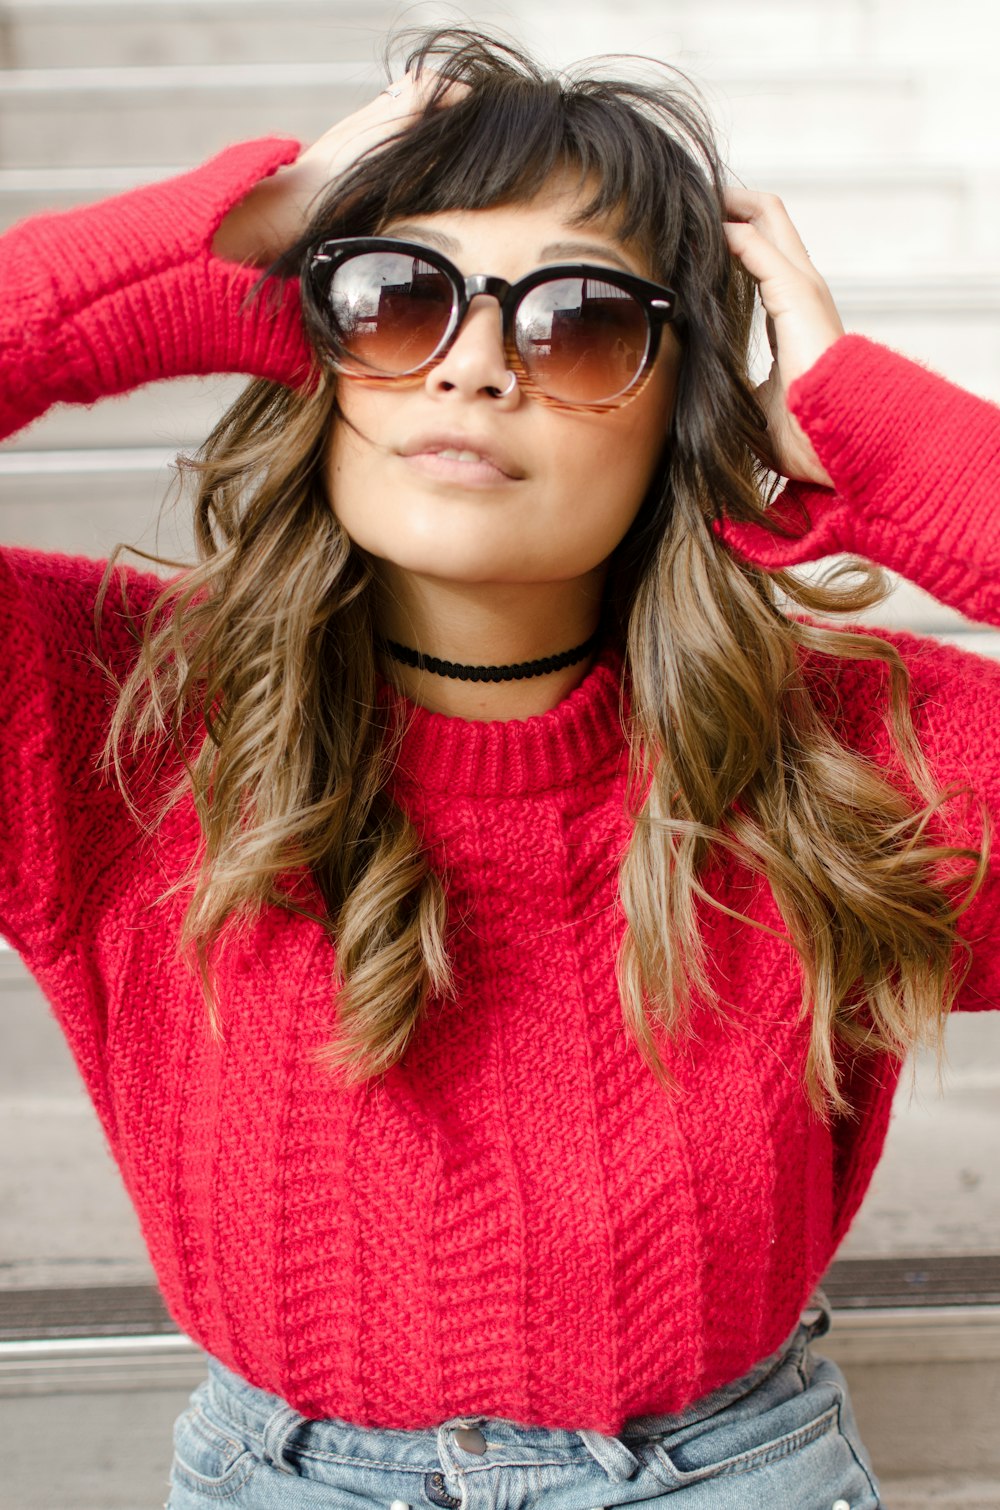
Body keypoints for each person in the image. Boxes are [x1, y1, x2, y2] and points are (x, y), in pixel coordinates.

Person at [2, 25, 997, 1510]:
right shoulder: (111, 717)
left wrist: (891, 443)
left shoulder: (846, 756)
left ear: (690, 401)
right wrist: (182, 261)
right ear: (308, 348)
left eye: (579, 322)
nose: (471, 366)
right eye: (396, 298)